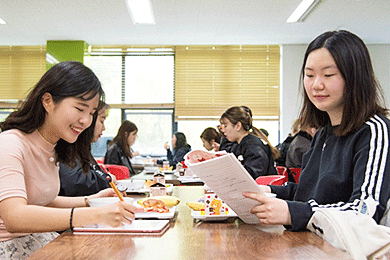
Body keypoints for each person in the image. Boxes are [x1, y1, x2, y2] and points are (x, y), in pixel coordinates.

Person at [243, 30, 390, 232]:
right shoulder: (322, 134)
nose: (316, 85)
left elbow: (365, 211)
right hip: (311, 245)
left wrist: (291, 213)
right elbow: (308, 195)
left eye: (328, 75)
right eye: (309, 75)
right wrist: (265, 191)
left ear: (355, 78)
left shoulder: (373, 131)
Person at [0, 61, 139, 258]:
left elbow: (42, 201)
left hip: (35, 239)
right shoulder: (10, 143)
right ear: (47, 101)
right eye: (80, 108)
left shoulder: (54, 147)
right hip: (9, 247)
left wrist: (91, 201)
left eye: (91, 113)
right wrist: (95, 214)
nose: (86, 121)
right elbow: (15, 216)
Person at [59, 102, 113, 196]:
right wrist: (106, 179)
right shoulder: (68, 146)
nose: (103, 128)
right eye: (101, 121)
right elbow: (75, 183)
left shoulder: (82, 149)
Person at [220, 106, 277, 179]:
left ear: (238, 126)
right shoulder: (238, 145)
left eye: (225, 126)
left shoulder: (253, 147)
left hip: (261, 188)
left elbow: (251, 177)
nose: (223, 130)